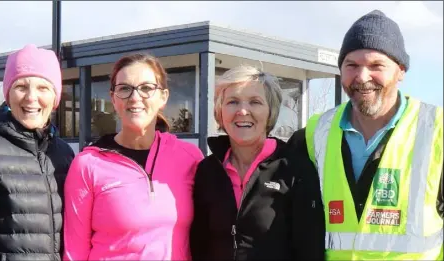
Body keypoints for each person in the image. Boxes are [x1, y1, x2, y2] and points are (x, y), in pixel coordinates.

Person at [287, 10, 443, 260]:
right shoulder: (314, 134)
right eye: (352, 65)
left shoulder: (437, 131)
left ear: (401, 71)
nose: (362, 77)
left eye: (376, 65)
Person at [63, 53, 204, 260]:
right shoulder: (87, 165)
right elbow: (74, 252)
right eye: (124, 88)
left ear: (163, 97)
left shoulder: (190, 157)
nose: (135, 97)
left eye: (147, 88)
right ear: (113, 98)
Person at [189, 65, 324, 260]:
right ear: (220, 111)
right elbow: (199, 244)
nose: (243, 111)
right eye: (233, 102)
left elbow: (310, 250)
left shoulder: (295, 169)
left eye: (255, 102)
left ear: (271, 111)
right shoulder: (206, 171)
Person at [0, 44, 75, 261]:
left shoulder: (63, 154)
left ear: (55, 98)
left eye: (43, 88)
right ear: (8, 94)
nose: (31, 97)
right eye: (21, 86)